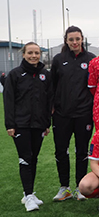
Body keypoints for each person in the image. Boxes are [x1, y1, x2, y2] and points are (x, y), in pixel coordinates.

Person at [3, 42, 53, 212]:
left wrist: (47, 123)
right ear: (23, 54)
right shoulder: (15, 75)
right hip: (21, 125)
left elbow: (48, 102)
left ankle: (28, 194)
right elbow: (8, 101)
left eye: (36, 53)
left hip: (38, 125)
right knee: (25, 159)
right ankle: (29, 194)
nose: (33, 56)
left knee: (34, 158)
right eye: (30, 53)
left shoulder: (45, 75)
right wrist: (10, 124)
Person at [50, 26, 96, 201]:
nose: (75, 42)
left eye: (77, 39)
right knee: (61, 150)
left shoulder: (91, 59)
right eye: (71, 40)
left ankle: (79, 187)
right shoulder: (58, 60)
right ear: (66, 41)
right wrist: (52, 107)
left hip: (84, 113)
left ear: (82, 39)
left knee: (82, 150)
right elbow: (52, 86)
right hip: (61, 114)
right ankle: (64, 188)